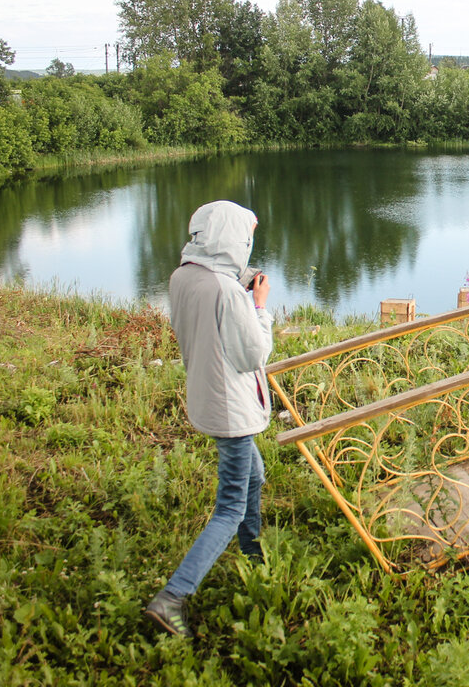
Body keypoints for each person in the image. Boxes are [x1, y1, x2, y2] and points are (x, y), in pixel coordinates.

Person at [144, 200, 274, 637]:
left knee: (254, 473)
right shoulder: (225, 291)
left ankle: (253, 556)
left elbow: (208, 322)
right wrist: (257, 305)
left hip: (206, 396)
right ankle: (173, 596)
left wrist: (237, 292)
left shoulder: (183, 278)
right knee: (230, 505)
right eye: (245, 237)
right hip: (231, 409)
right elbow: (254, 353)